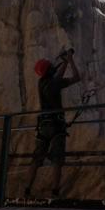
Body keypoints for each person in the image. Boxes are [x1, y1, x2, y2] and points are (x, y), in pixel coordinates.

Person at [25, 49, 81, 198]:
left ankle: (27, 189)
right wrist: (70, 61)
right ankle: (55, 191)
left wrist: (64, 62)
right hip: (56, 126)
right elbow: (76, 77)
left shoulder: (41, 82)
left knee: (36, 159)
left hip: (43, 125)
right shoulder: (55, 83)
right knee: (57, 160)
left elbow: (56, 76)